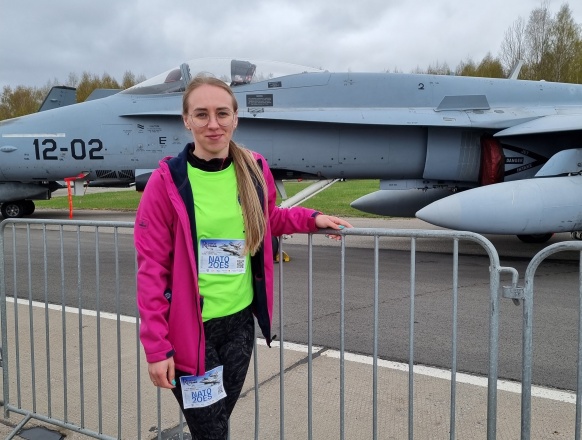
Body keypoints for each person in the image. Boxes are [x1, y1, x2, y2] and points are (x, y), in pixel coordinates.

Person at [134, 73, 352, 439]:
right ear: (186, 120)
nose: (213, 124)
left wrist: (312, 219)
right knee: (212, 431)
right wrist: (156, 348)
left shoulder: (253, 168)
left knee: (215, 425)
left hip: (238, 326)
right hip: (191, 332)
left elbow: (268, 218)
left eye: (222, 113)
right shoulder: (167, 182)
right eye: (201, 114)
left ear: (235, 118)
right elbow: (151, 269)